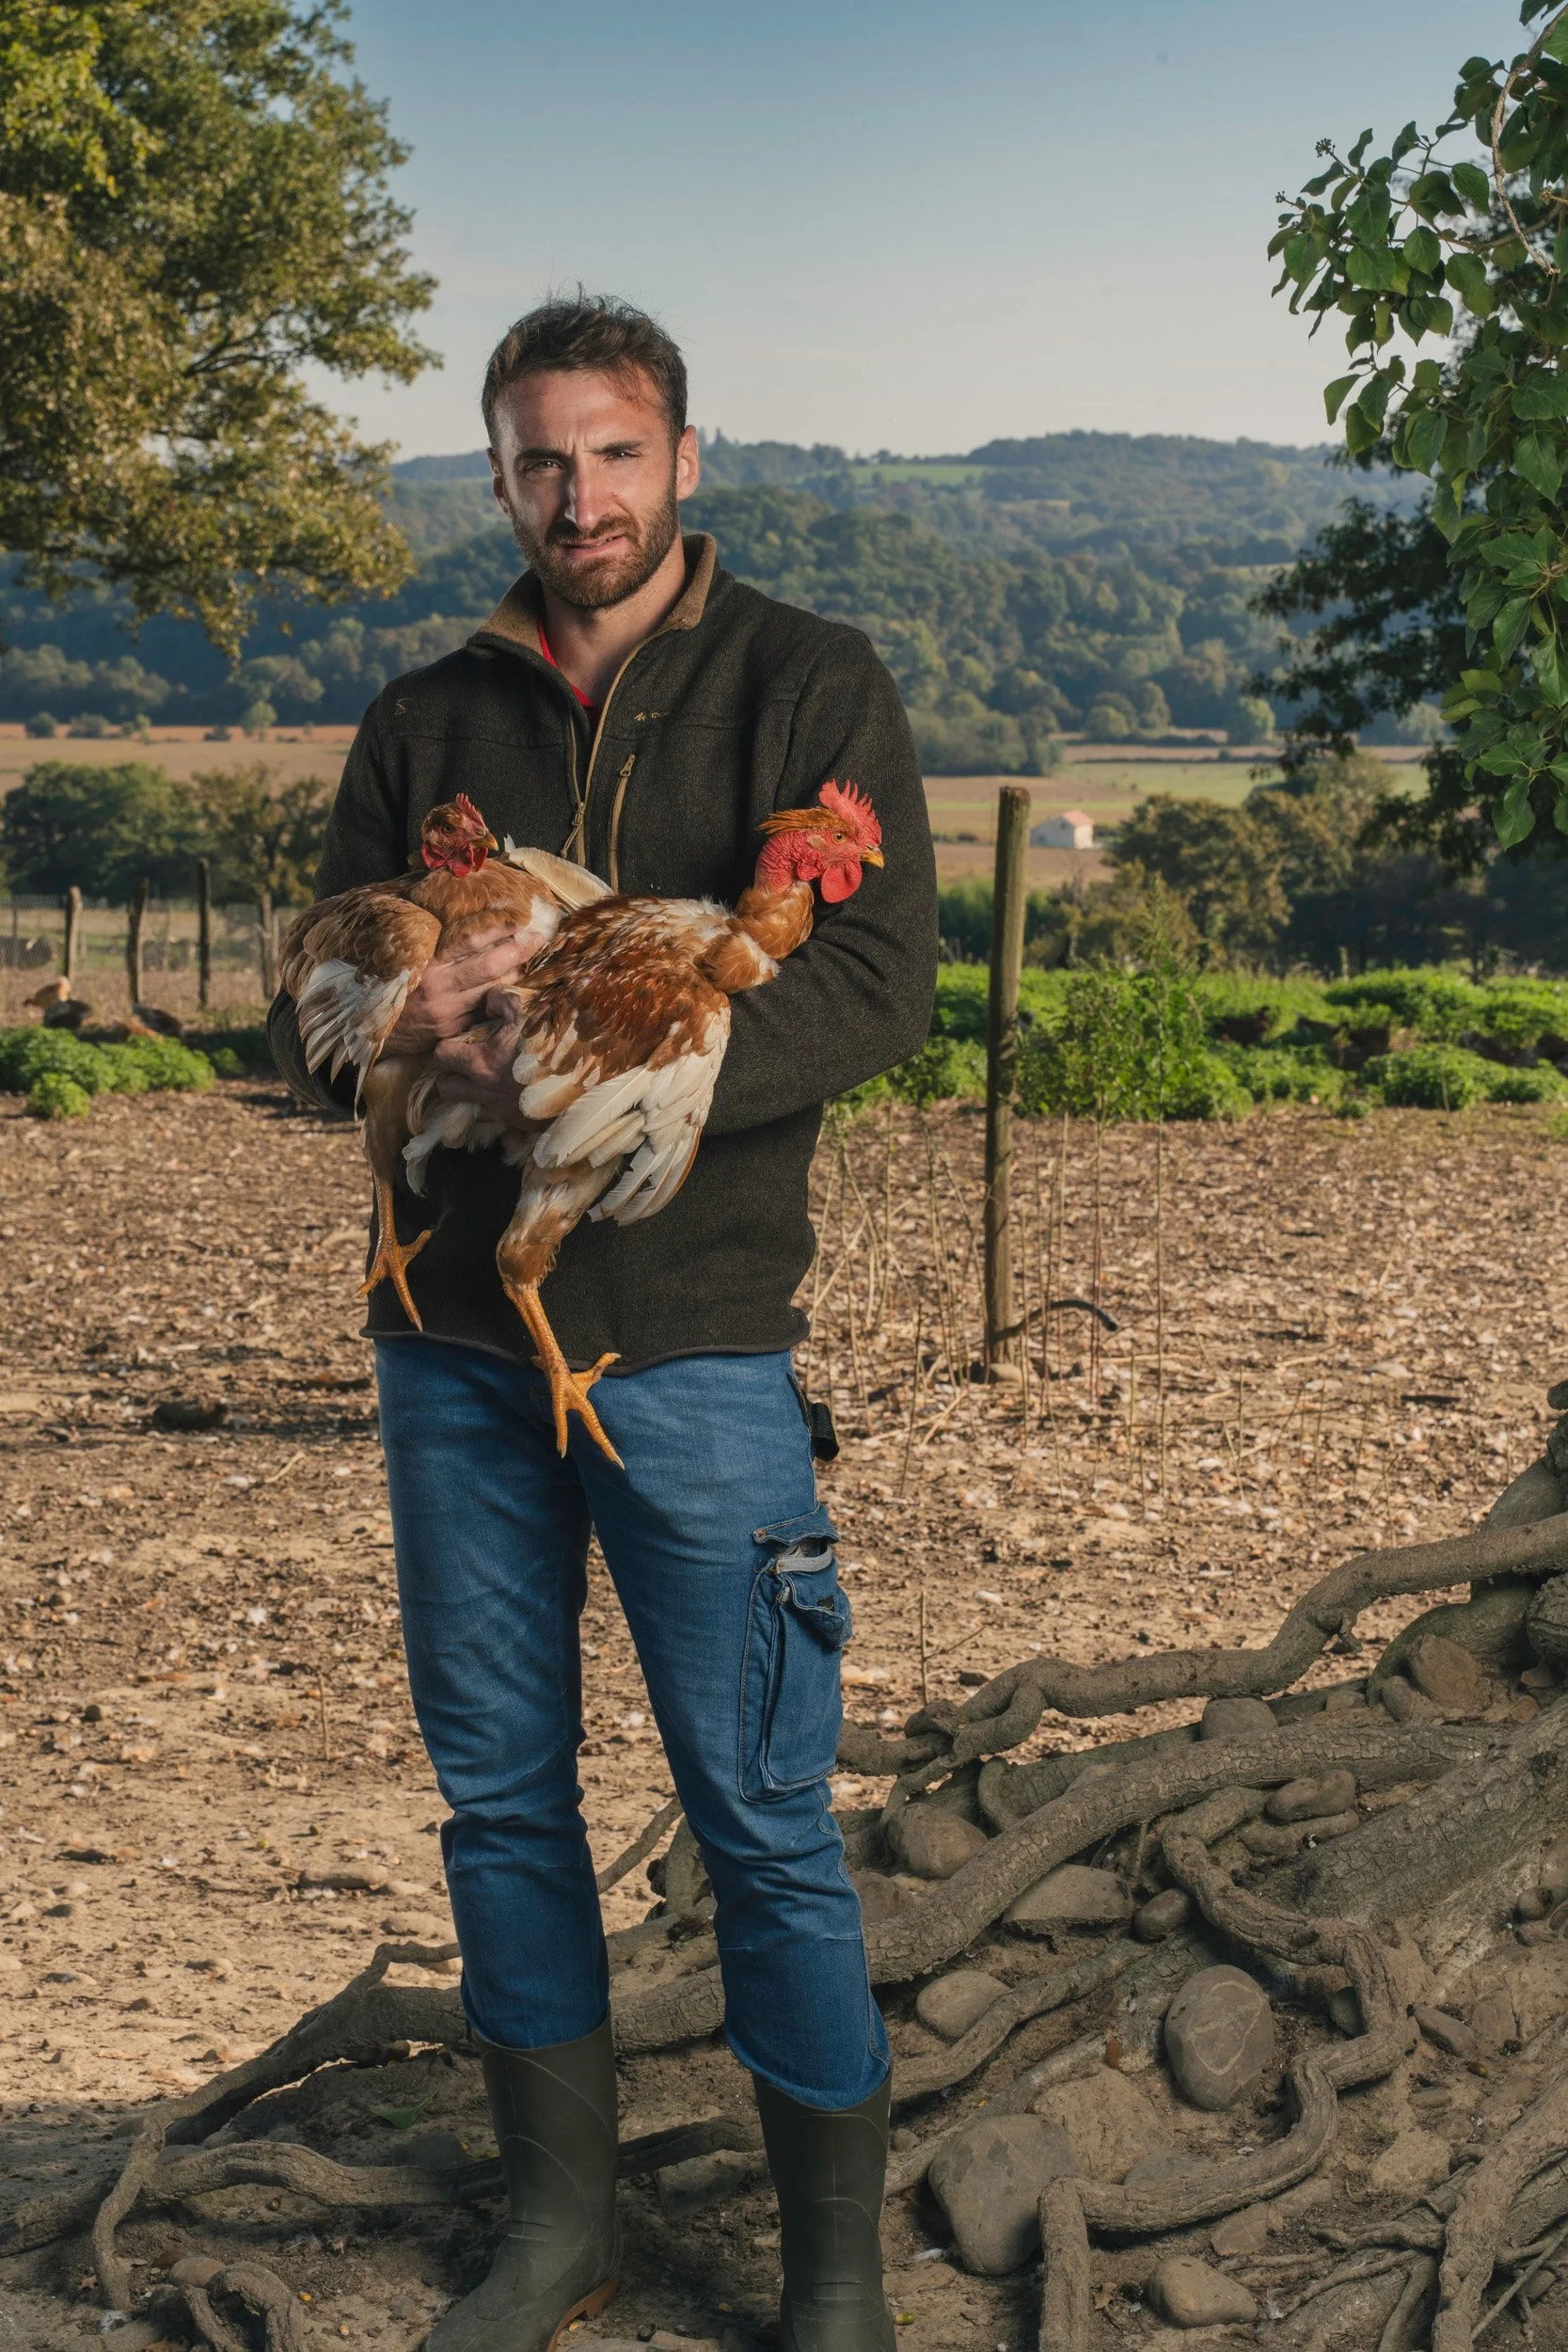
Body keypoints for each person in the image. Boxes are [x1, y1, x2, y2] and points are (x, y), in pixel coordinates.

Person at [269, 293, 937, 2352]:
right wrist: (388, 1041)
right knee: (501, 1795)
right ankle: (561, 2224)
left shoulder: (804, 681)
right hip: (458, 1339)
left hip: (703, 1336)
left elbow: (880, 981)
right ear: (498, 472)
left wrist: (613, 1065)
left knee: (755, 1811)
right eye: (542, 457)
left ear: (681, 459)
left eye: (615, 452)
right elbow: (312, 1002)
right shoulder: (422, 718)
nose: (581, 492)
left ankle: (833, 2279)